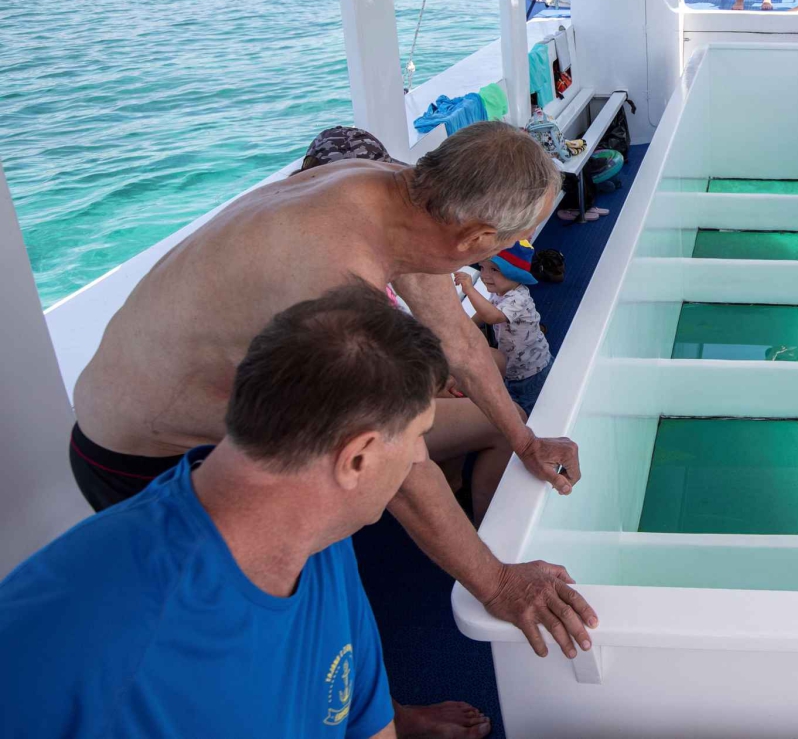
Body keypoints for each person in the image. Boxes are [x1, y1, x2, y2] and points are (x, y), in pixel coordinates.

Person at [68, 121, 595, 664]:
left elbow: (459, 341)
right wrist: (499, 586)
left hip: (247, 419)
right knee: (262, 620)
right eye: (511, 240)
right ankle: (372, 714)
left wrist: (526, 441)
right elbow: (403, 471)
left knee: (338, 553)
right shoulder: (334, 283)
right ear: (476, 241)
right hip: (146, 457)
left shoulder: (401, 195)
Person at [0, 285, 532, 738]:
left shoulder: (321, 535)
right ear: (359, 459)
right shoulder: (80, 637)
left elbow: (364, 721)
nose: (421, 459)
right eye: (419, 439)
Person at [455, 243, 554, 416]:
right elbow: (484, 313)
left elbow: (492, 317)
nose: (485, 275)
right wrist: (467, 327)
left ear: (516, 274)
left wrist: (469, 289)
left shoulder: (518, 298)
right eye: (483, 267)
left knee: (531, 410)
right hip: (514, 367)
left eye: (494, 270)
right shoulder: (500, 293)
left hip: (530, 371)